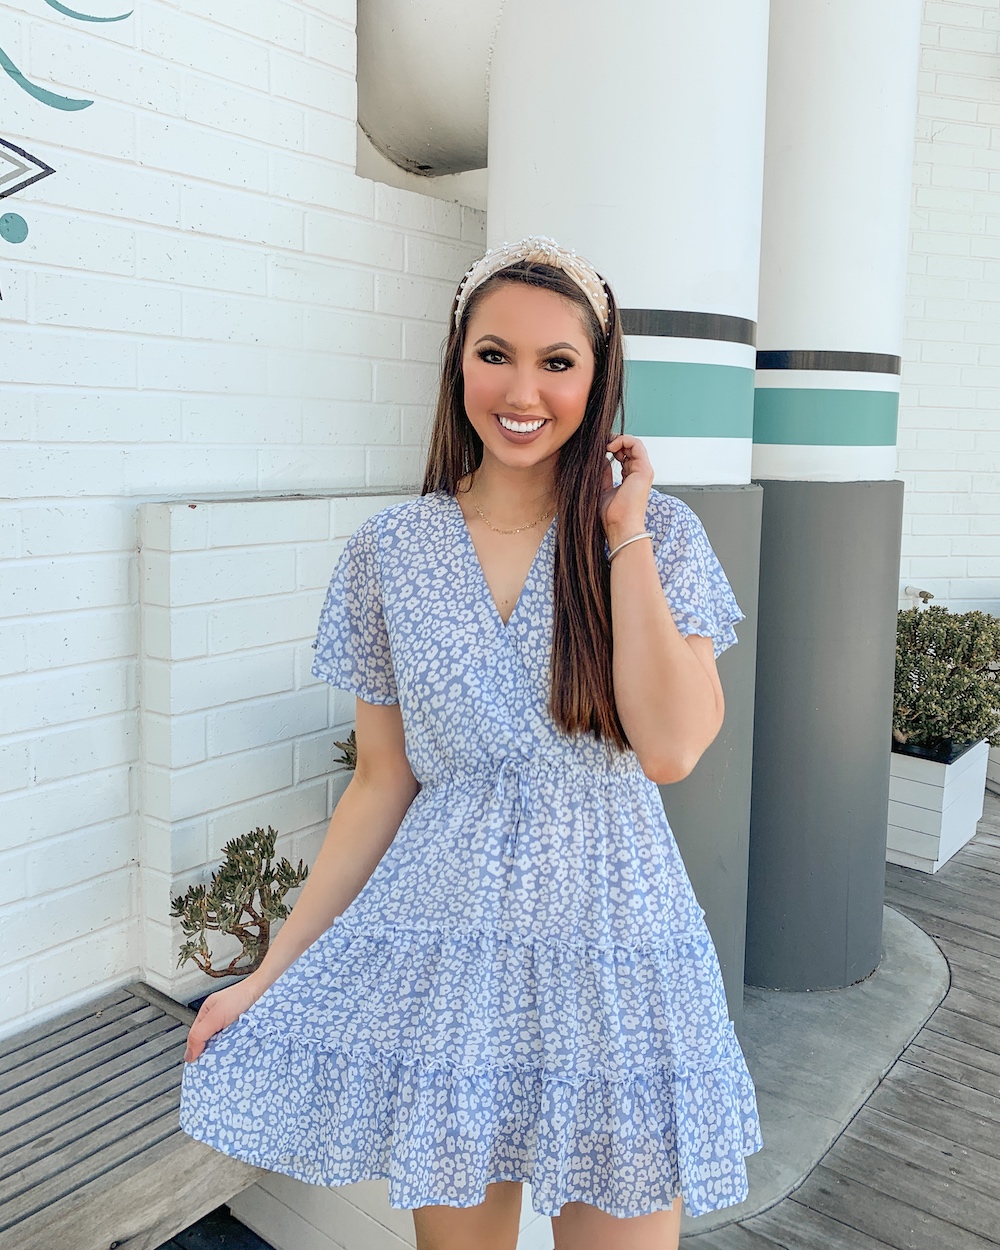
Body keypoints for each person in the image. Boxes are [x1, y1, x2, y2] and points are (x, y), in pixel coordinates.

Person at [179, 236, 764, 1250]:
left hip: (615, 952)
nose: (522, 388)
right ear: (457, 364)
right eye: (494, 354)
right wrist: (265, 973)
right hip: (446, 959)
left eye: (557, 360)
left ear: (598, 374)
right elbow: (378, 786)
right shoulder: (389, 550)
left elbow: (669, 748)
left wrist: (620, 534)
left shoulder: (658, 534)